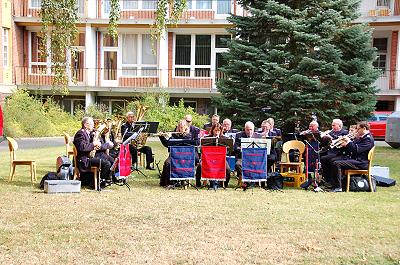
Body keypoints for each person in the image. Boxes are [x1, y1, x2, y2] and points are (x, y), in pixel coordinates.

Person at [322, 121, 374, 192]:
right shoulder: (361, 137)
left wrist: (348, 142)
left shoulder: (368, 139)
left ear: (364, 128)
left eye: (358, 129)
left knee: (336, 163)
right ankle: (331, 182)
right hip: (355, 159)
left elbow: (356, 149)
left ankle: (338, 187)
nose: (356, 131)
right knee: (330, 160)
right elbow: (351, 149)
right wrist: (344, 144)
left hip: (361, 163)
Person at [73, 117, 112, 188]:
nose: (93, 126)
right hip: (84, 160)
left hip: (89, 157)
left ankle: (104, 180)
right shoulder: (80, 134)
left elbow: (90, 145)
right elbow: (82, 147)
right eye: (91, 124)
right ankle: (96, 183)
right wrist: (93, 144)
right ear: (85, 125)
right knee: (106, 164)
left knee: (109, 160)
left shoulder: (88, 133)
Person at [159, 120, 199, 187]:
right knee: (167, 163)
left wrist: (170, 137)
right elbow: (167, 144)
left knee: (178, 162)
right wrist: (161, 137)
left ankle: (181, 180)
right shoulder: (175, 134)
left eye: (183, 127)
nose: (181, 129)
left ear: (186, 128)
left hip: (185, 156)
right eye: (180, 127)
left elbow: (183, 140)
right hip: (174, 155)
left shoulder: (189, 135)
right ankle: (169, 183)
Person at [196, 123, 231, 188]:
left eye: (218, 131)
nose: (217, 132)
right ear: (212, 130)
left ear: (221, 131)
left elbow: (229, 150)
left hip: (220, 159)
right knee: (200, 166)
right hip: (208, 159)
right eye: (215, 130)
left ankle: (224, 184)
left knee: (228, 169)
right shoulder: (207, 138)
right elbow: (201, 149)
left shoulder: (224, 139)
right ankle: (198, 183)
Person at [320, 119, 349, 184]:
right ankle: (326, 177)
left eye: (334, 125)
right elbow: (325, 143)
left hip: (339, 153)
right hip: (329, 151)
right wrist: (324, 137)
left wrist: (331, 138)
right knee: (319, 156)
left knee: (325, 159)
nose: (332, 127)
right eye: (332, 125)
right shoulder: (331, 132)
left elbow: (341, 141)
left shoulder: (345, 132)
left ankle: (330, 179)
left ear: (339, 126)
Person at [234, 121, 261, 189]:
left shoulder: (258, 136)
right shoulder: (239, 135)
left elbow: (261, 149)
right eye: (247, 129)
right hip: (242, 157)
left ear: (253, 129)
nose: (249, 131)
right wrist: (240, 148)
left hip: (254, 158)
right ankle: (247, 181)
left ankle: (248, 181)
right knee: (238, 164)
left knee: (259, 164)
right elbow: (235, 148)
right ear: (244, 129)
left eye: (251, 129)